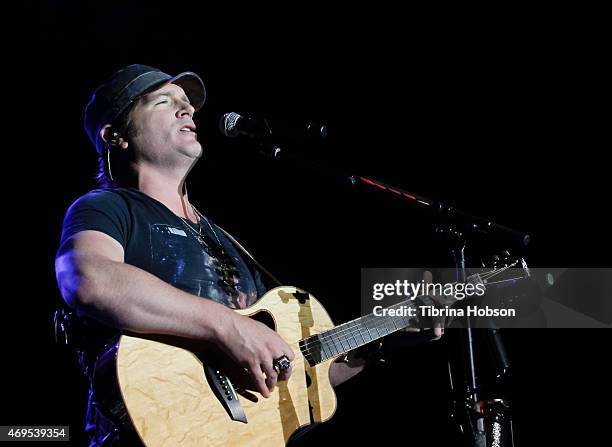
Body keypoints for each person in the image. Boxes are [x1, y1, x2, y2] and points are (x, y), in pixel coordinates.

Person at [55, 64, 443, 446]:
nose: (186, 108)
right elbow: (89, 279)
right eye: (164, 101)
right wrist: (227, 326)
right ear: (116, 135)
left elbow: (285, 365)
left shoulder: (225, 240)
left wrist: (380, 342)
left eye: (187, 102)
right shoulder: (107, 207)